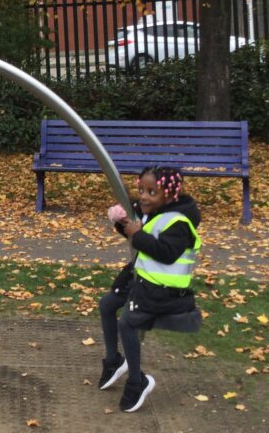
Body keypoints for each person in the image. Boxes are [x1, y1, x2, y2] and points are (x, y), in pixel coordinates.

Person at [98, 165, 202, 413]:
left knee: (127, 324)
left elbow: (165, 253)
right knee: (107, 305)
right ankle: (114, 361)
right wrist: (121, 222)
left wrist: (137, 234)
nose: (143, 197)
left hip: (162, 289)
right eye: (141, 190)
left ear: (169, 195)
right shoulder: (152, 210)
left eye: (151, 192)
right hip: (140, 276)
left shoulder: (179, 222)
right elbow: (135, 233)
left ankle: (137, 382)